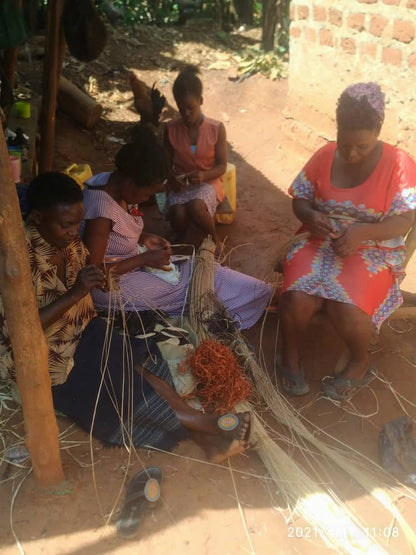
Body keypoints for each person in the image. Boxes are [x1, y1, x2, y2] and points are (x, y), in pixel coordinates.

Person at [0, 172, 255, 462]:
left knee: (139, 366)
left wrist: (108, 274)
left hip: (82, 329)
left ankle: (203, 433)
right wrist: (75, 293)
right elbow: (17, 331)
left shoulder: (68, 243)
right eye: (67, 225)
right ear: (36, 218)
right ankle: (203, 427)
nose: (74, 232)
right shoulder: (16, 261)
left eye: (77, 223)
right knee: (116, 391)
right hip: (46, 355)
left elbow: (90, 276)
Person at [279, 82, 416, 400]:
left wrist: (361, 233)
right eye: (345, 144)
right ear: (337, 130)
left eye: (362, 146)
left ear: (378, 131)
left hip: (373, 248)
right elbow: (299, 200)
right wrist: (312, 217)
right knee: (296, 299)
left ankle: (359, 360)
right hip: (318, 242)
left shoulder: (398, 163)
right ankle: (288, 356)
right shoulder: (324, 155)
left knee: (346, 309)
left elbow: (405, 220)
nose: (352, 153)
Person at [81, 126, 273, 329]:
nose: (147, 200)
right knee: (193, 286)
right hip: (112, 286)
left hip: (130, 262)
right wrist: (143, 259)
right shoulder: (100, 212)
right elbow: (94, 275)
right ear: (130, 183)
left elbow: (116, 230)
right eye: (147, 194)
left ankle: (264, 294)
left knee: (197, 268)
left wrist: (143, 237)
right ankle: (263, 296)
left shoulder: (112, 181)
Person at [163, 65, 227, 247]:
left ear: (201, 100)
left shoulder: (216, 128)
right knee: (177, 214)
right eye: (181, 109)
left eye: (191, 108)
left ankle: (215, 240)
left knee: (196, 207)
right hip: (181, 185)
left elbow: (222, 166)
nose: (186, 114)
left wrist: (203, 176)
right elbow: (165, 165)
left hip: (209, 182)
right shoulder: (169, 129)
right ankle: (183, 239)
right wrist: (172, 179)